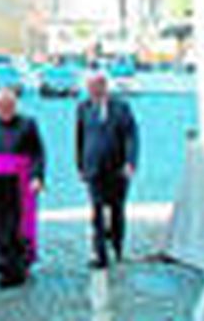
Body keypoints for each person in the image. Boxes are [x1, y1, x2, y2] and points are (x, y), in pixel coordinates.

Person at [0, 87, 45, 288]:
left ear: (15, 106)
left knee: (17, 224)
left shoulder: (28, 124)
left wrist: (37, 177)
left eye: (9, 106)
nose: (5, 109)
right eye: (1, 106)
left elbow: (37, 153)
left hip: (19, 182)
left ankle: (19, 266)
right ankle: (1, 265)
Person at [76, 71, 138, 269]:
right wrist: (80, 165)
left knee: (116, 209)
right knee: (97, 209)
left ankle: (117, 245)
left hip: (117, 169)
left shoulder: (121, 108)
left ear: (104, 87)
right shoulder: (83, 108)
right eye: (89, 88)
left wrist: (130, 163)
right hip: (94, 168)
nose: (92, 92)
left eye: (96, 87)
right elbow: (79, 138)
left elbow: (131, 137)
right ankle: (99, 254)